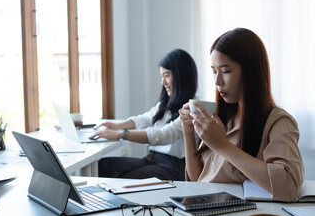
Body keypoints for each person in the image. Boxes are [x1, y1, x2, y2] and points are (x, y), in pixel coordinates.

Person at [179, 28, 304, 202]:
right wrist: (188, 131)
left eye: (226, 71)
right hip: (202, 206)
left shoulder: (278, 121)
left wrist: (222, 145)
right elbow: (198, 179)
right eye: (214, 71)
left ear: (251, 72)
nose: (217, 82)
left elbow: (289, 187)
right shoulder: (221, 117)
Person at [90, 49, 198, 180]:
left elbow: (163, 135)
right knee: (104, 166)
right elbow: (145, 118)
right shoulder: (166, 103)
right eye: (161, 77)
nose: (162, 82)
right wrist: (117, 126)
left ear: (182, 75)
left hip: (174, 167)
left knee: (126, 180)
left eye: (167, 75)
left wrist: (122, 134)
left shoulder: (193, 108)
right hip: (153, 159)